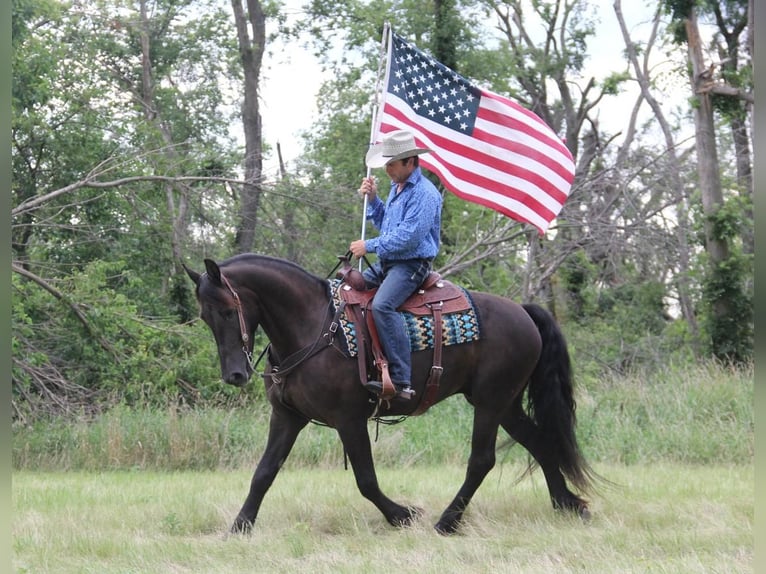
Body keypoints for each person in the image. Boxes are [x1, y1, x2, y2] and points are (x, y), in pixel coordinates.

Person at [348, 130, 443, 399]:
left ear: (410, 162)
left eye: (391, 163)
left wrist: (369, 246)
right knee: (348, 288)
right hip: (388, 264)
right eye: (386, 164)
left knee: (382, 305)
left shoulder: (425, 194)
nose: (387, 169)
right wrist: (374, 199)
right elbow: (387, 226)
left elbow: (408, 239)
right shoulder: (396, 188)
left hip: (411, 265)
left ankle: (402, 381)